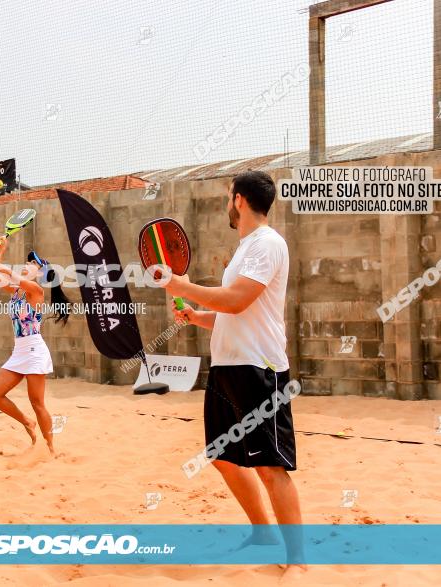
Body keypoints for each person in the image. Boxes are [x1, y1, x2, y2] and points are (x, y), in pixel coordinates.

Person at [158, 170, 306, 575]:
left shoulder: (267, 244)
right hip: (227, 367)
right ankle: (263, 534)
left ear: (238, 199)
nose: (228, 204)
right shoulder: (245, 248)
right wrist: (194, 317)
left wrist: (181, 286)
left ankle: (298, 561)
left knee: (270, 466)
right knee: (222, 455)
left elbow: (238, 300)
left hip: (259, 367)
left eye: (229, 197)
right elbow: (230, 313)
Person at [0, 238, 69, 455]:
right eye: (27, 262)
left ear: (39, 273)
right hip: (19, 351)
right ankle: (27, 422)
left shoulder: (35, 290)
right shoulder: (16, 291)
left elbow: (7, 273)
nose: (27, 265)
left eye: (32, 264)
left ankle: (51, 449)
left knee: (37, 403)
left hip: (35, 350)